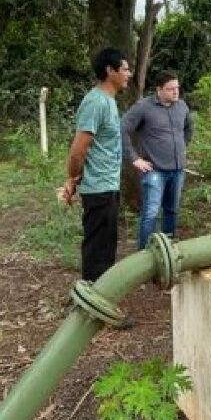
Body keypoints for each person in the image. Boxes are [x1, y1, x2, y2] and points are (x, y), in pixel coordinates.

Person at [62, 47, 133, 283]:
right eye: (124, 69)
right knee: (97, 254)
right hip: (98, 189)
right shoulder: (95, 102)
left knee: (106, 249)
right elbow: (78, 150)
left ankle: (100, 304)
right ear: (109, 70)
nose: (129, 74)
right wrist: (72, 178)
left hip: (108, 186)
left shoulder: (109, 101)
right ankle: (92, 310)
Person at [122, 71, 194, 249]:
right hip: (154, 171)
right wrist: (134, 158)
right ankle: (144, 255)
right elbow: (122, 129)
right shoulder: (143, 107)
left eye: (177, 88)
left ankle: (168, 249)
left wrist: (181, 147)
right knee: (151, 213)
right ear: (159, 90)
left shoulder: (182, 106)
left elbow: (188, 127)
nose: (176, 92)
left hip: (177, 170)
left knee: (172, 210)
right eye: (171, 89)